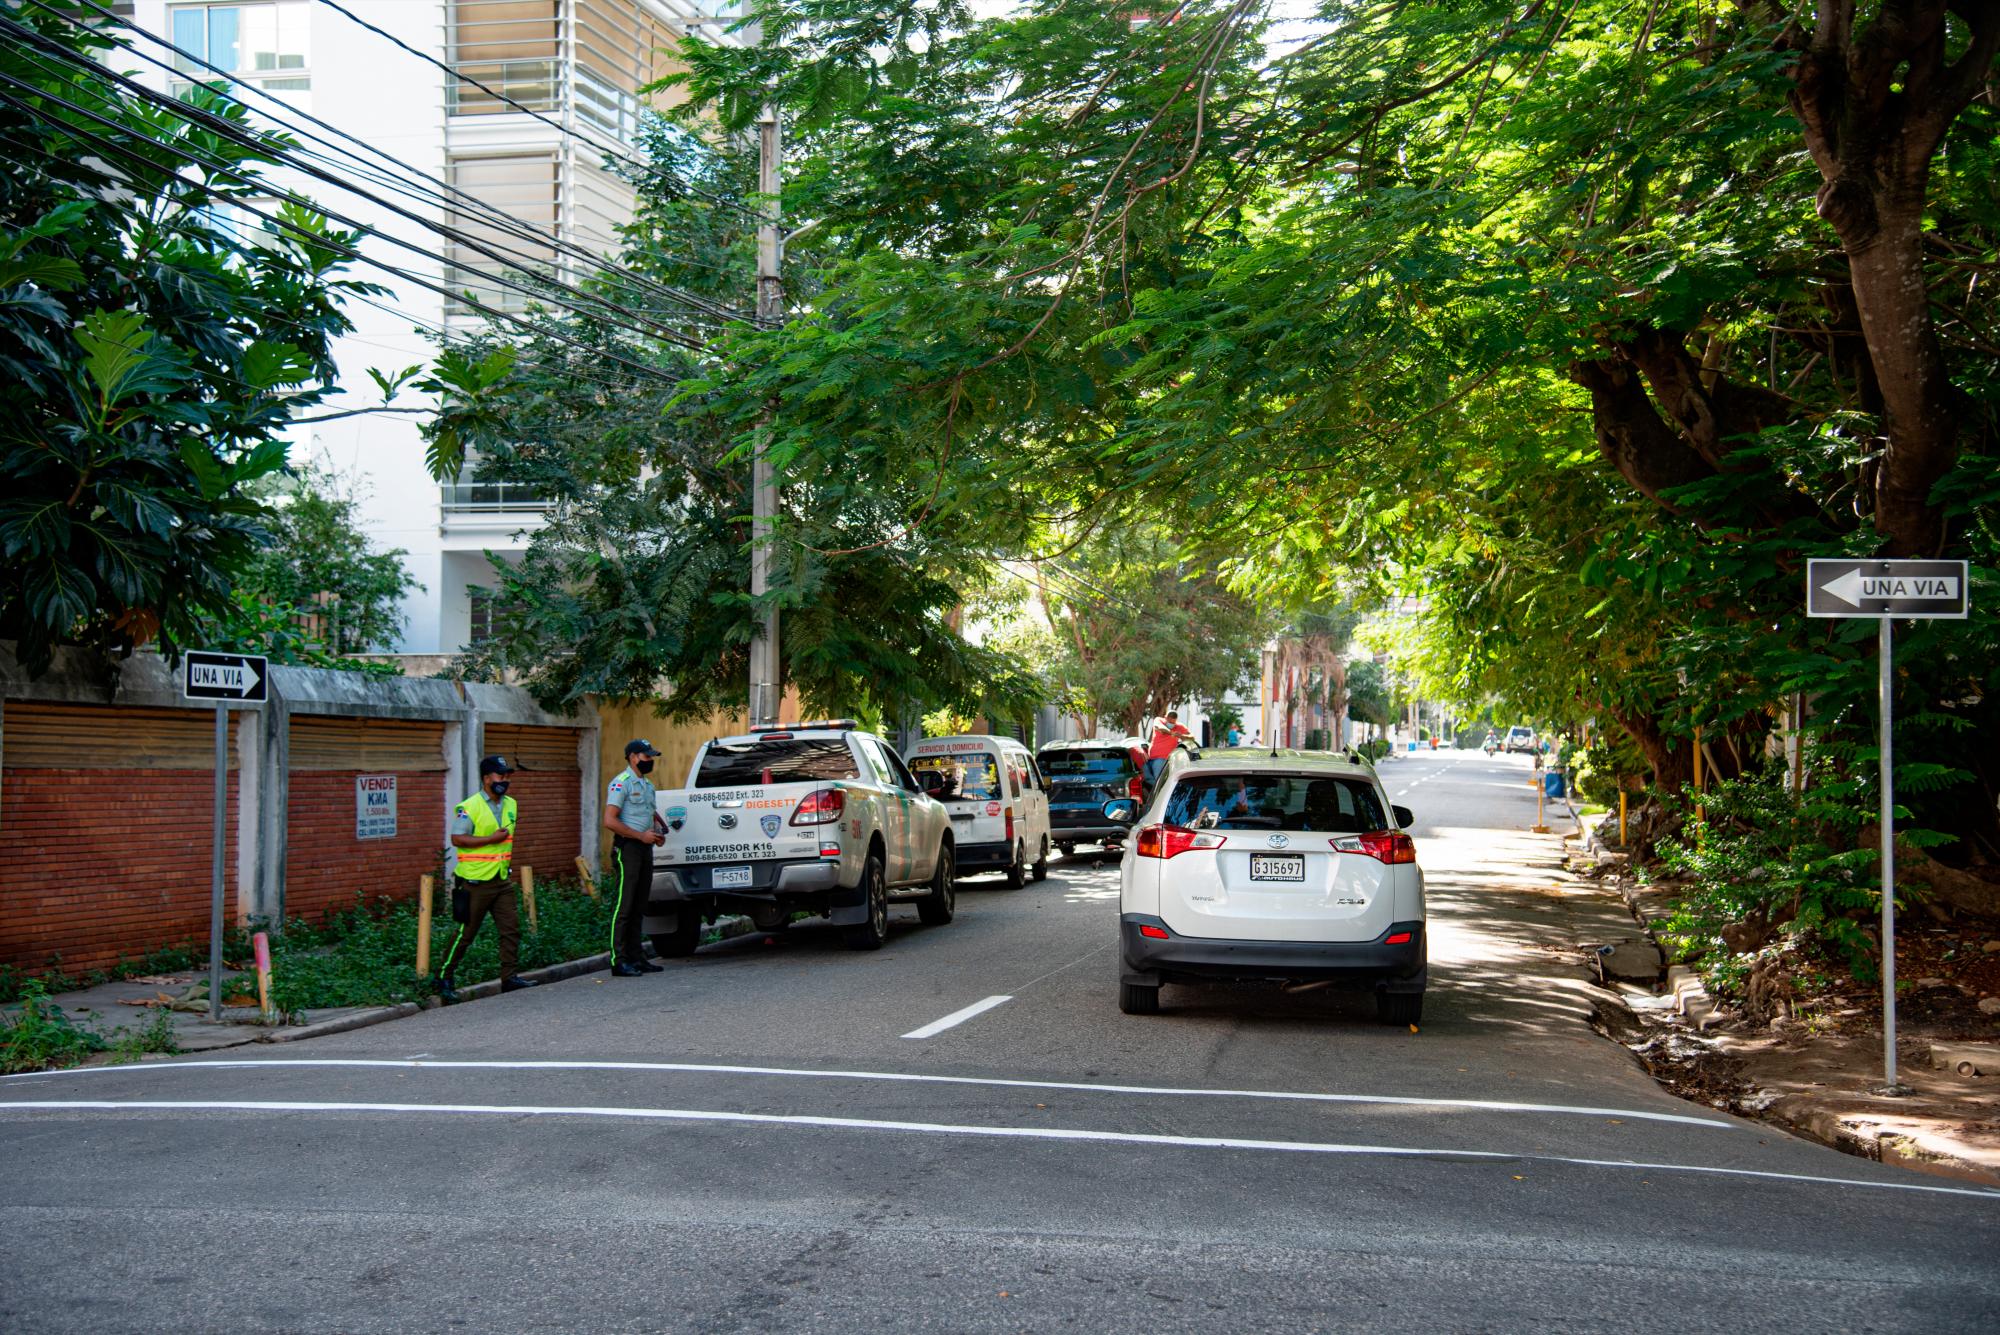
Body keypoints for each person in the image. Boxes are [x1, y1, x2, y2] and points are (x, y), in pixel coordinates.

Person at [437, 755, 538, 1003]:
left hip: (501, 879)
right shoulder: (469, 807)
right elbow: (457, 839)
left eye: (507, 776)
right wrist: (490, 839)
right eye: (500, 775)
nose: (505, 780)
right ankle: (443, 978)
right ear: (486, 778)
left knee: (511, 930)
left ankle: (509, 978)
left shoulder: (511, 804)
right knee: (465, 934)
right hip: (474, 883)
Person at [603, 739, 666, 976]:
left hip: (644, 848)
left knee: (639, 905)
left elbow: (648, 815)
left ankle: (636, 957)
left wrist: (656, 834)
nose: (650, 761)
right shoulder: (621, 783)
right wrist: (640, 836)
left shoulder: (648, 785)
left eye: (651, 757)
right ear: (633, 757)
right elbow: (609, 820)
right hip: (628, 848)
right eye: (646, 756)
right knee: (625, 905)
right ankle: (618, 960)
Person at [1143, 710, 1193, 788]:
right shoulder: (1159, 720)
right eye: (1169, 722)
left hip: (1163, 760)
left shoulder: (1179, 726)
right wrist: (1172, 733)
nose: (1171, 724)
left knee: (1159, 782)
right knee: (1150, 781)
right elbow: (1161, 728)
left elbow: (1192, 737)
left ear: (1176, 721)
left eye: (1173, 722)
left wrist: (1182, 736)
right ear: (1165, 717)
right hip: (1151, 758)